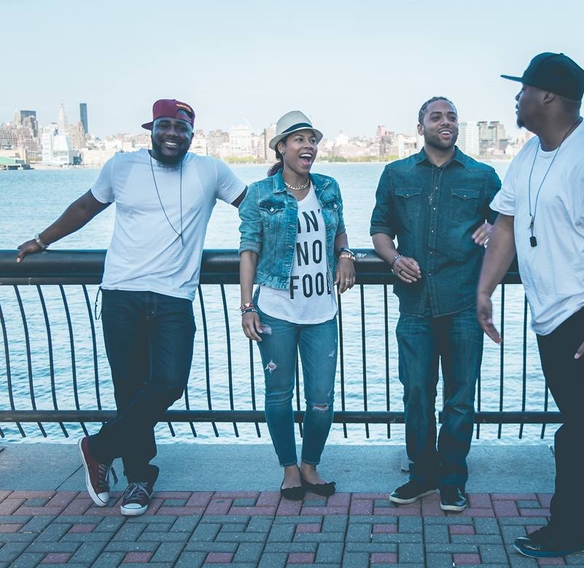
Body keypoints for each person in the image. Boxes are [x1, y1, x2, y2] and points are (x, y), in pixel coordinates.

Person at [16, 99, 247, 516]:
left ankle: (98, 448)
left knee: (169, 383)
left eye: (181, 128)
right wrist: (42, 240)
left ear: (192, 134)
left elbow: (252, 205)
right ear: (152, 129)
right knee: (129, 389)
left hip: (174, 296)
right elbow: (85, 208)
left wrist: (283, 188)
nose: (172, 134)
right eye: (165, 125)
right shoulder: (121, 166)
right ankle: (139, 478)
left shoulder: (210, 170)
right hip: (121, 294)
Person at [477, 53, 584, 557]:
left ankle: (576, 528)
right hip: (551, 315)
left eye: (524, 88)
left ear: (547, 96)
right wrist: (484, 291)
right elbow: (505, 226)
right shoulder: (529, 155)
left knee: (577, 434)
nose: (517, 97)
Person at [370, 97, 500, 512]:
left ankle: (452, 479)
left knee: (460, 398)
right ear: (421, 125)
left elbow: (510, 219)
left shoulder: (483, 176)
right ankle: (422, 475)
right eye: (437, 117)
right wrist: (394, 259)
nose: (446, 122)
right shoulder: (396, 174)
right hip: (414, 306)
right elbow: (380, 229)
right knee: (416, 395)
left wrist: (495, 226)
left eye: (452, 117)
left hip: (463, 303)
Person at [238, 110, 355, 500]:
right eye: (299, 139)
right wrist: (247, 306)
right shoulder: (260, 193)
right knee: (279, 394)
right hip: (276, 310)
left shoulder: (328, 187)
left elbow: (339, 231)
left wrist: (345, 256)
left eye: (312, 140)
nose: (309, 146)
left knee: (321, 398)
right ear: (281, 148)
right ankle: (289, 470)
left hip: (322, 311)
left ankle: (310, 467)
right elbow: (249, 250)